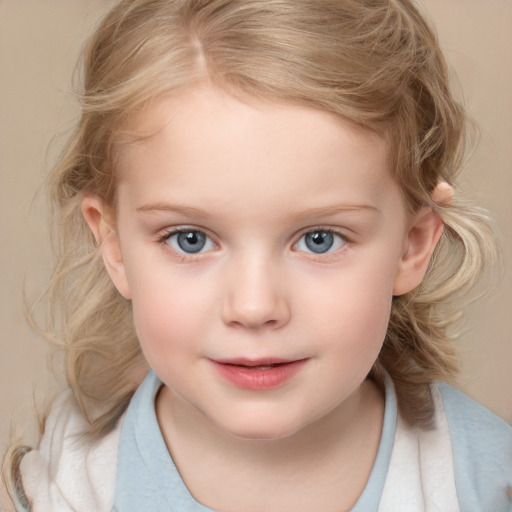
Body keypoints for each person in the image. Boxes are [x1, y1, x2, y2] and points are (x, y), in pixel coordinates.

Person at [4, 0, 512, 510]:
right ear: (112, 244)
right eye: (190, 239)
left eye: (320, 239)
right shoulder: (64, 490)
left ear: (413, 244)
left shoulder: (485, 483)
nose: (253, 307)